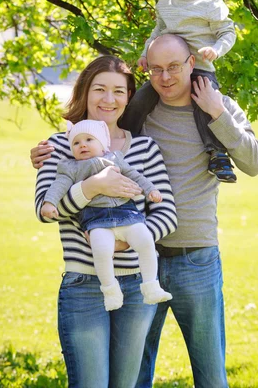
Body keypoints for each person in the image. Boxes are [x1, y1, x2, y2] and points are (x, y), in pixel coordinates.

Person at [124, 34, 258, 388]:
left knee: (211, 376)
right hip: (139, 260)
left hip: (197, 260)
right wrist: (47, 153)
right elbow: (89, 140)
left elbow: (254, 162)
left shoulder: (219, 106)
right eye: (156, 69)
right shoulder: (137, 112)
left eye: (173, 67)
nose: (165, 77)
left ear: (191, 64)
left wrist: (217, 113)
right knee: (131, 375)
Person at [33, 55, 177, 388]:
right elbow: (44, 207)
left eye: (118, 91)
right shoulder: (59, 145)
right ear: (85, 91)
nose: (108, 100)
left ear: (129, 97)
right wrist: (91, 188)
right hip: (83, 285)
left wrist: (125, 241)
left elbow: (167, 214)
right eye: (99, 89)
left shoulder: (144, 148)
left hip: (138, 288)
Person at [130, 0, 238, 183]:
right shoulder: (166, 3)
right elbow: (157, 31)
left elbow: (228, 32)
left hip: (200, 68)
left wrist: (216, 49)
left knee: (204, 106)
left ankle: (218, 154)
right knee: (140, 100)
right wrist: (147, 53)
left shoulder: (211, 4)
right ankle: (126, 140)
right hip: (168, 70)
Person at [41, 118, 172, 311]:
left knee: (145, 241)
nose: (82, 145)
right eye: (76, 142)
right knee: (101, 250)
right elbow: (58, 186)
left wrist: (150, 190)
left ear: (103, 145)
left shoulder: (115, 159)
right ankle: (110, 291)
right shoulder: (69, 168)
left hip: (126, 214)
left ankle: (151, 286)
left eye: (89, 140)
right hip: (97, 221)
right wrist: (49, 202)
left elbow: (135, 175)